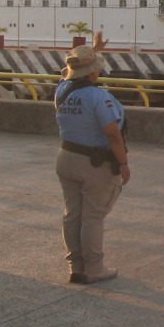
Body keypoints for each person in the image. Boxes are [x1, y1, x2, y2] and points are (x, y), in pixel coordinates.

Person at [54, 42, 129, 284]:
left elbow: (66, 73)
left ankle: (75, 266)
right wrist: (124, 163)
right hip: (93, 162)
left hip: (66, 157)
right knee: (93, 216)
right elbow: (113, 133)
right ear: (94, 72)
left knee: (72, 214)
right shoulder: (99, 97)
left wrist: (90, 51)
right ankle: (94, 268)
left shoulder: (62, 90)